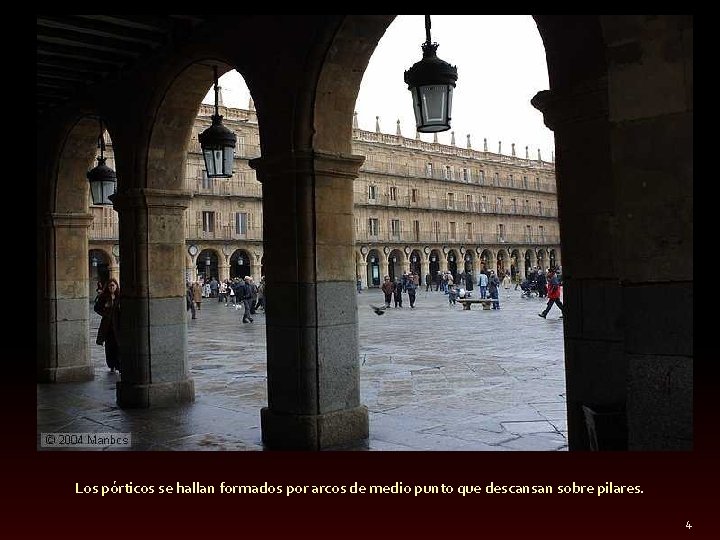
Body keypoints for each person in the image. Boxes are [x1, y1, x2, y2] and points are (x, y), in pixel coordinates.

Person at [94, 278, 121, 373]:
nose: (112, 287)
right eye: (110, 286)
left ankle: (118, 365)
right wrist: (105, 312)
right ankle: (111, 365)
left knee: (118, 346)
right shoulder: (103, 297)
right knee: (109, 347)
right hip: (108, 326)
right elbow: (96, 308)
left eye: (113, 285)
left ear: (116, 286)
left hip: (118, 325)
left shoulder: (119, 297)